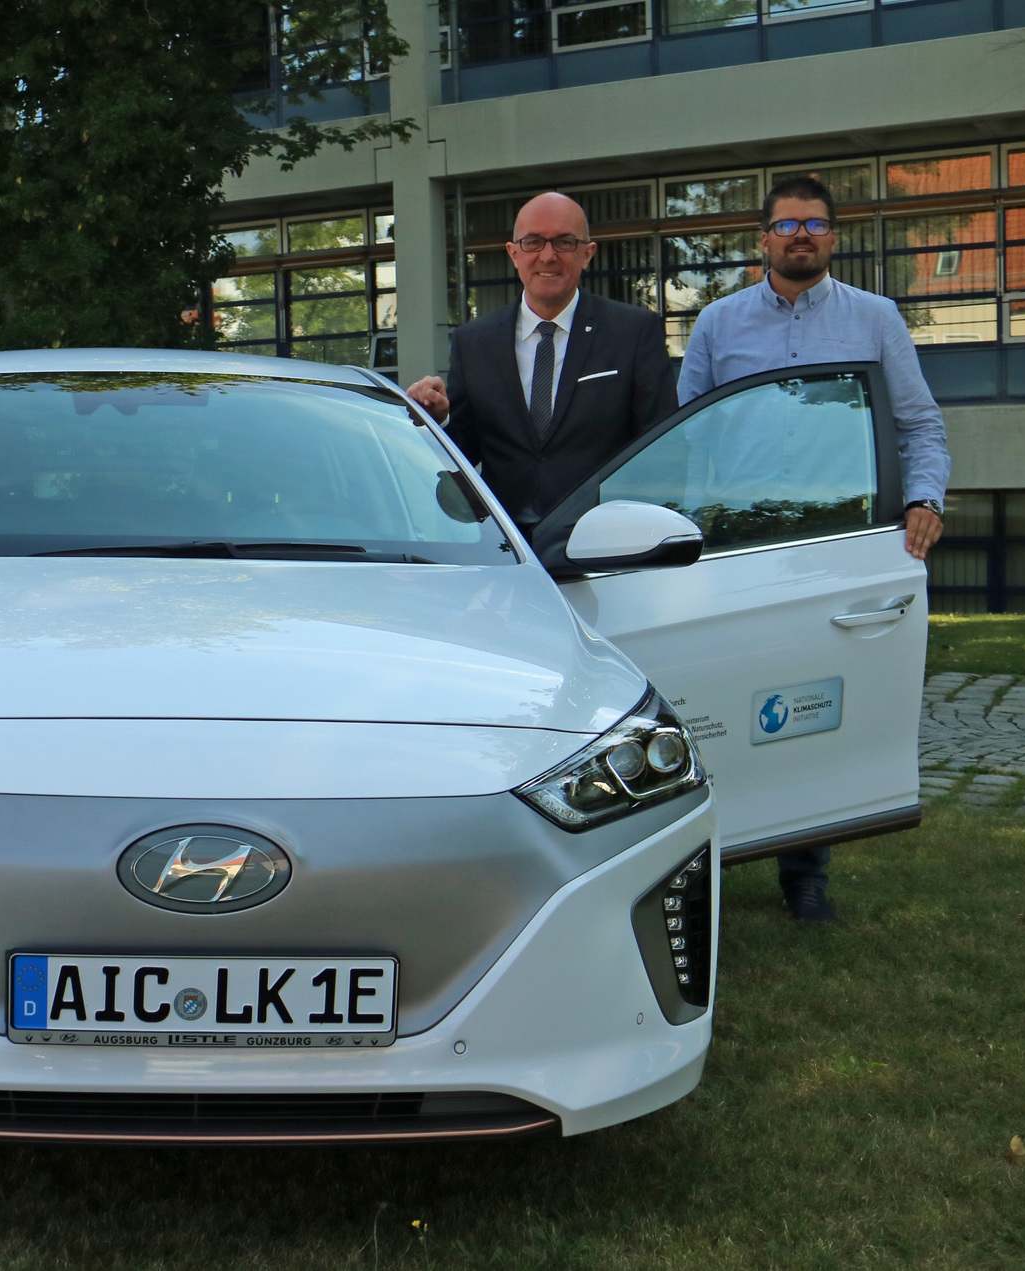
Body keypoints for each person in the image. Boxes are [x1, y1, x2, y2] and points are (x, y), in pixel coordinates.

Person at [678, 172, 950, 925]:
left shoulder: (875, 318)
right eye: (788, 224)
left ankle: (807, 870)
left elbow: (921, 425)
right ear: (763, 239)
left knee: (816, 698)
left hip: (837, 537)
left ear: (834, 238)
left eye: (816, 225)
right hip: (735, 541)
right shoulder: (717, 325)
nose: (802, 235)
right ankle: (713, 852)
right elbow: (685, 436)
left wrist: (925, 499)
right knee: (722, 696)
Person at [407, 192, 677, 538]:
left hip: (606, 545)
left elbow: (663, 447)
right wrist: (438, 417)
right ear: (513, 253)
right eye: (533, 242)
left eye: (564, 242)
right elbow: (463, 450)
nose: (548, 256)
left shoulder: (633, 332)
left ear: (587, 253)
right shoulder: (473, 342)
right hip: (505, 547)